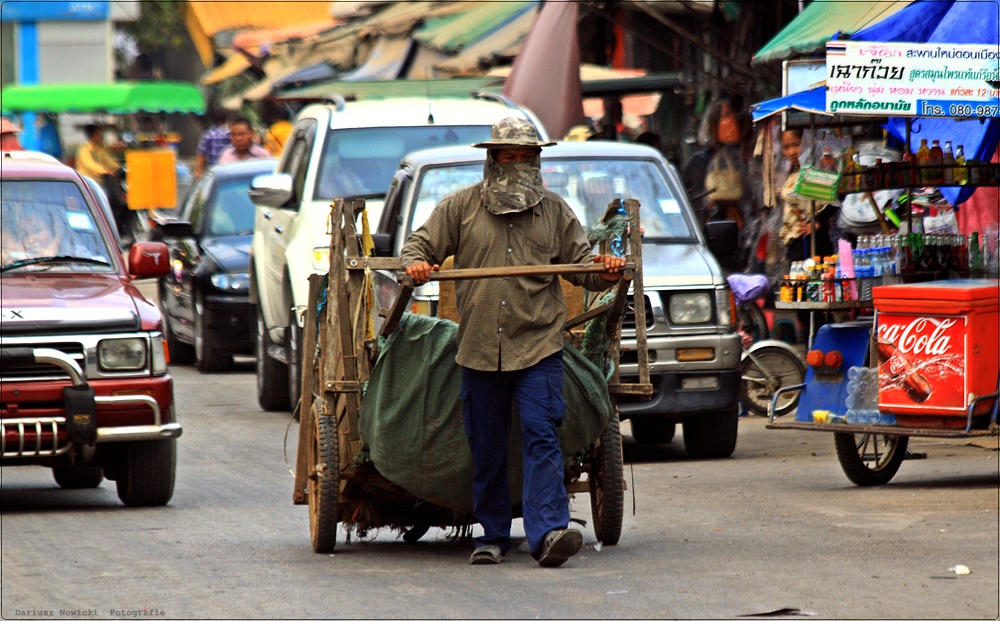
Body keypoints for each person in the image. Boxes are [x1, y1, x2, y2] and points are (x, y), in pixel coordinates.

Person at [400, 117, 626, 568]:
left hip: (538, 344)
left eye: (526, 157)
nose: (518, 163)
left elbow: (581, 267)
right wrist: (417, 264)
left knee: (542, 435)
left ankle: (548, 535)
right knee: (486, 443)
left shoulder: (556, 212)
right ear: (492, 159)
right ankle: (492, 535)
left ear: (537, 161)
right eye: (509, 156)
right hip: (479, 348)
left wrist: (603, 271)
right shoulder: (459, 208)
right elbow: (417, 247)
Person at [194, 108, 231, 178]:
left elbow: (201, 154)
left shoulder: (208, 134)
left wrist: (198, 171)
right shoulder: (229, 134)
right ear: (226, 119)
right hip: (228, 168)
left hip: (213, 169)